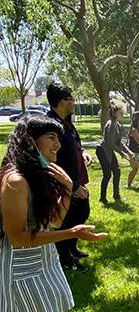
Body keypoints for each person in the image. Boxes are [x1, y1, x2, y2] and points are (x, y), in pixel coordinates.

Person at [0, 115, 107, 312]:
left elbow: (54, 221)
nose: (58, 145)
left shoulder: (38, 175)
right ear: (30, 141)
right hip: (23, 271)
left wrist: (68, 188)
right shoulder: (16, 181)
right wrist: (72, 234)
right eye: (51, 137)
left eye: (58, 138)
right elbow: (18, 237)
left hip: (45, 262)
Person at [47, 83, 93, 272]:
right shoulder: (50, 124)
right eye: (70, 99)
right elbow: (49, 157)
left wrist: (82, 153)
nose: (74, 102)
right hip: (64, 184)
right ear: (60, 102)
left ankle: (72, 248)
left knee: (82, 212)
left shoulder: (67, 121)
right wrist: (69, 185)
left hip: (77, 179)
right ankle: (65, 259)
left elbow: (74, 144)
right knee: (64, 222)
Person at [96, 100, 133, 205]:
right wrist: (122, 153)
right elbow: (110, 143)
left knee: (116, 172)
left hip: (108, 150)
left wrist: (128, 151)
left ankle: (116, 196)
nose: (123, 114)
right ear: (115, 113)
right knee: (107, 174)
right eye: (121, 112)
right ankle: (102, 198)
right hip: (103, 150)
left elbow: (119, 142)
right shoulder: (111, 124)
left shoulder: (118, 125)